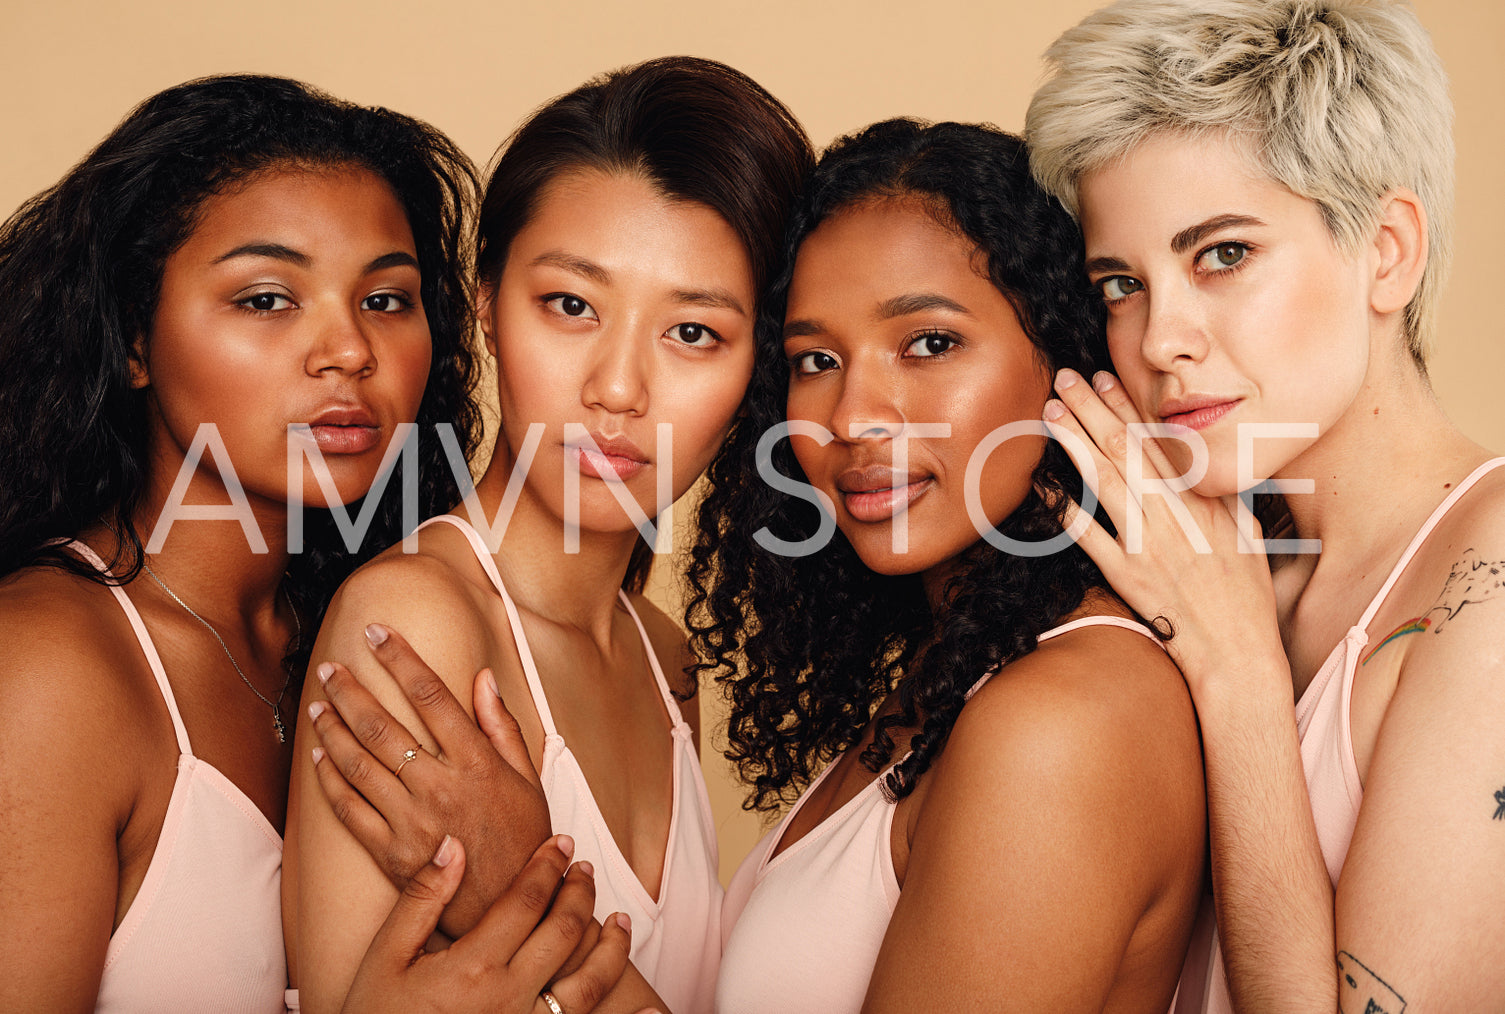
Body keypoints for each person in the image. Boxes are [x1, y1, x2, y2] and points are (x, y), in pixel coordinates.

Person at [0, 73, 624, 1013]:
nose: (348, 351)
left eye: (386, 299)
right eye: (265, 298)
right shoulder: (49, 666)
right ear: (133, 337)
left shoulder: (354, 631)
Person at [286, 56, 813, 1014]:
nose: (619, 389)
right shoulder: (415, 625)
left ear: (757, 374)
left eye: (692, 332)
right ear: (484, 303)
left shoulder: (663, 656)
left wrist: (523, 888)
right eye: (571, 306)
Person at [1025, 1, 1505, 1010]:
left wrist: (1238, 674)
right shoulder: (1215, 563)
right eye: (1121, 282)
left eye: (1222, 255)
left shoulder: (1489, 571)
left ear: (1384, 251)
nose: (1158, 339)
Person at [685, 118, 1206, 1012]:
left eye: (928, 343)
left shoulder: (1062, 723)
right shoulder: (963, 672)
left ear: (1063, 355)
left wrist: (548, 944)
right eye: (815, 360)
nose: (852, 415)